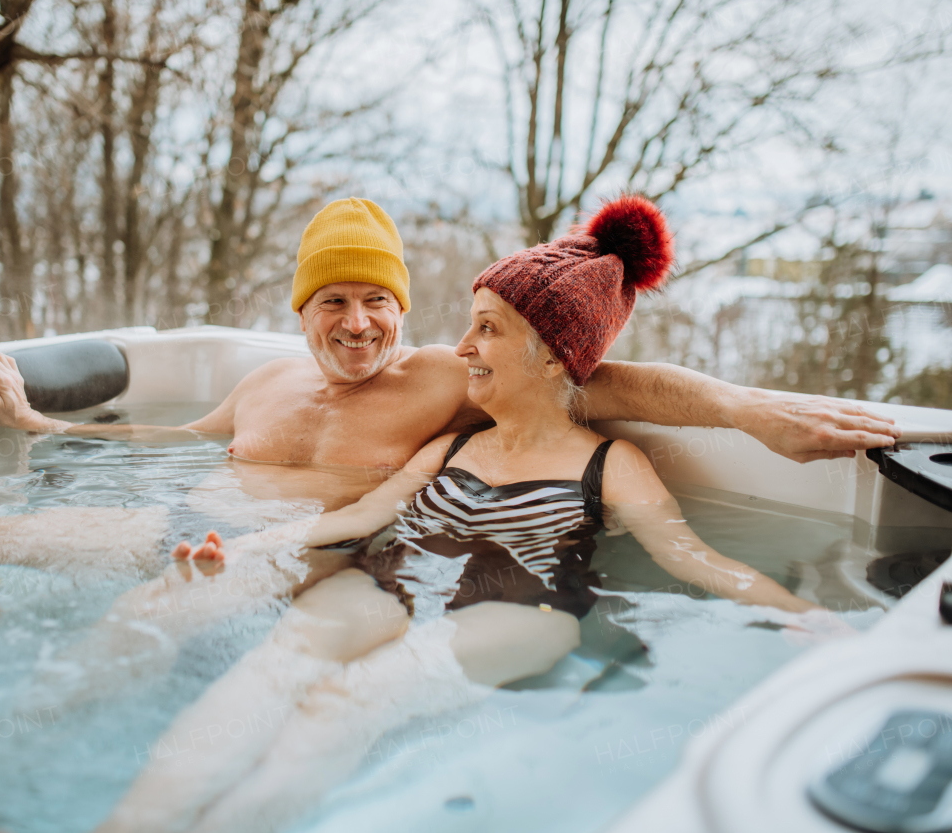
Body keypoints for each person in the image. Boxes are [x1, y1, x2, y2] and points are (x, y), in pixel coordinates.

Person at [89, 196, 836, 833]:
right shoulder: (452, 446)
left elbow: (692, 558)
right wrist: (251, 551)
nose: (462, 345)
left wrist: (799, 612)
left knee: (348, 698)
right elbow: (360, 517)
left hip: (525, 602)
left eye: (487, 330)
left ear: (551, 359)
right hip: (395, 576)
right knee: (273, 666)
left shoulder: (609, 464)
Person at [0, 197, 900, 518]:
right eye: (335, 300)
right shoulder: (263, 382)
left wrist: (751, 412)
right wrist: (42, 427)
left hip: (298, 563)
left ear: (402, 309)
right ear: (303, 310)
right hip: (176, 527)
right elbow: (175, 444)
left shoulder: (448, 380)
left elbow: (608, 383)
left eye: (380, 301)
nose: (360, 323)